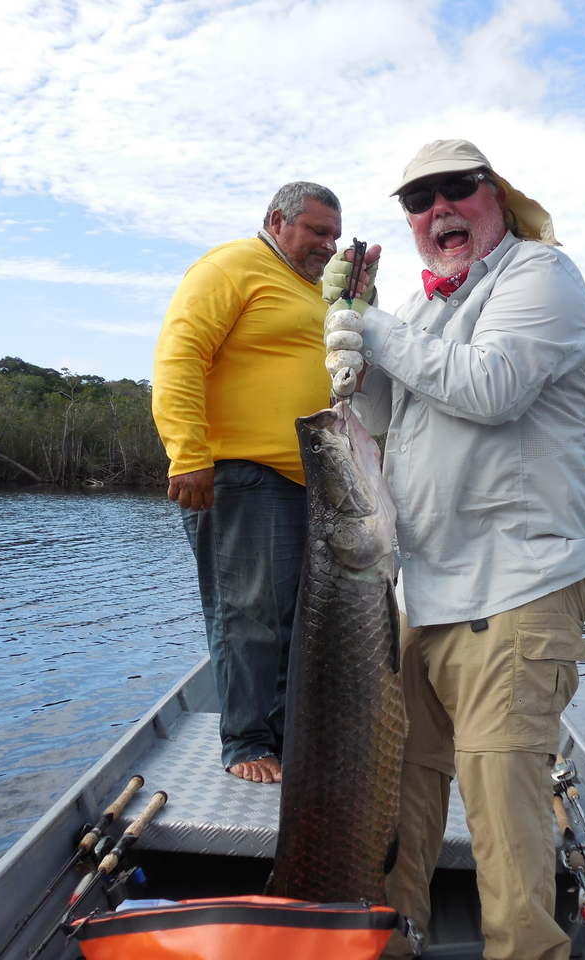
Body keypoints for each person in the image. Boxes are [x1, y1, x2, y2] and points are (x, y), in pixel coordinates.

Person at [320, 140, 585, 959]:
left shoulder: (540, 275)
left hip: (517, 587)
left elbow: (491, 387)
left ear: (498, 194)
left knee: (504, 824)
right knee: (396, 803)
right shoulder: (419, 312)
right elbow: (379, 421)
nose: (438, 209)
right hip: (423, 594)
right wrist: (348, 344)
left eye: (458, 188)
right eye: (419, 200)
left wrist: (370, 326)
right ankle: (390, 944)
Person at [153, 181, 342, 784]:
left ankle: (286, 739)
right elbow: (179, 356)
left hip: (306, 480)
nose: (328, 244)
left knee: (296, 621)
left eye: (335, 236)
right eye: (317, 231)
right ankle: (245, 742)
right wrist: (188, 454)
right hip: (241, 473)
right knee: (248, 614)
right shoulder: (231, 266)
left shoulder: (313, 289)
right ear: (278, 220)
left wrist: (357, 297)